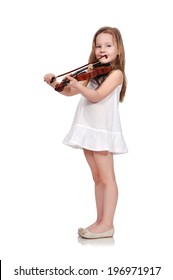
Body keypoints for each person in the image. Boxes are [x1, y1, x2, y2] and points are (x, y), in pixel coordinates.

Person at [44, 26, 128, 239]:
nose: (102, 49)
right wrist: (56, 85)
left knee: (107, 177)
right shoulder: (92, 69)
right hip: (88, 128)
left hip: (102, 130)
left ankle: (107, 224)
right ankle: (99, 221)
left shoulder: (116, 74)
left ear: (118, 49)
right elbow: (70, 91)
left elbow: (97, 95)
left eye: (108, 45)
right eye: (98, 45)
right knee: (97, 177)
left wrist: (78, 85)